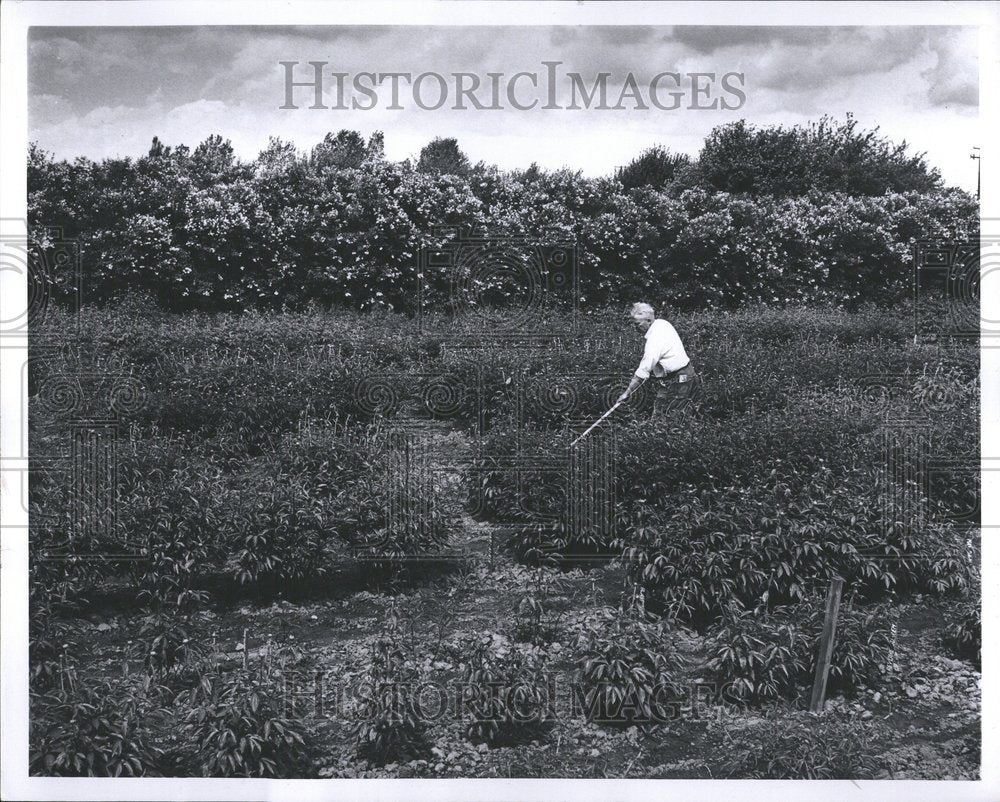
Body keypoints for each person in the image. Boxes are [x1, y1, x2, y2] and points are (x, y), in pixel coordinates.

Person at [616, 302, 701, 418]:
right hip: (685, 373)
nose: (635, 327)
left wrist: (627, 393)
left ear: (649, 321)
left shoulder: (654, 340)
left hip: (679, 379)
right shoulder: (662, 323)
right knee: (679, 414)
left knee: (666, 417)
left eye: (637, 324)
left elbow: (643, 370)